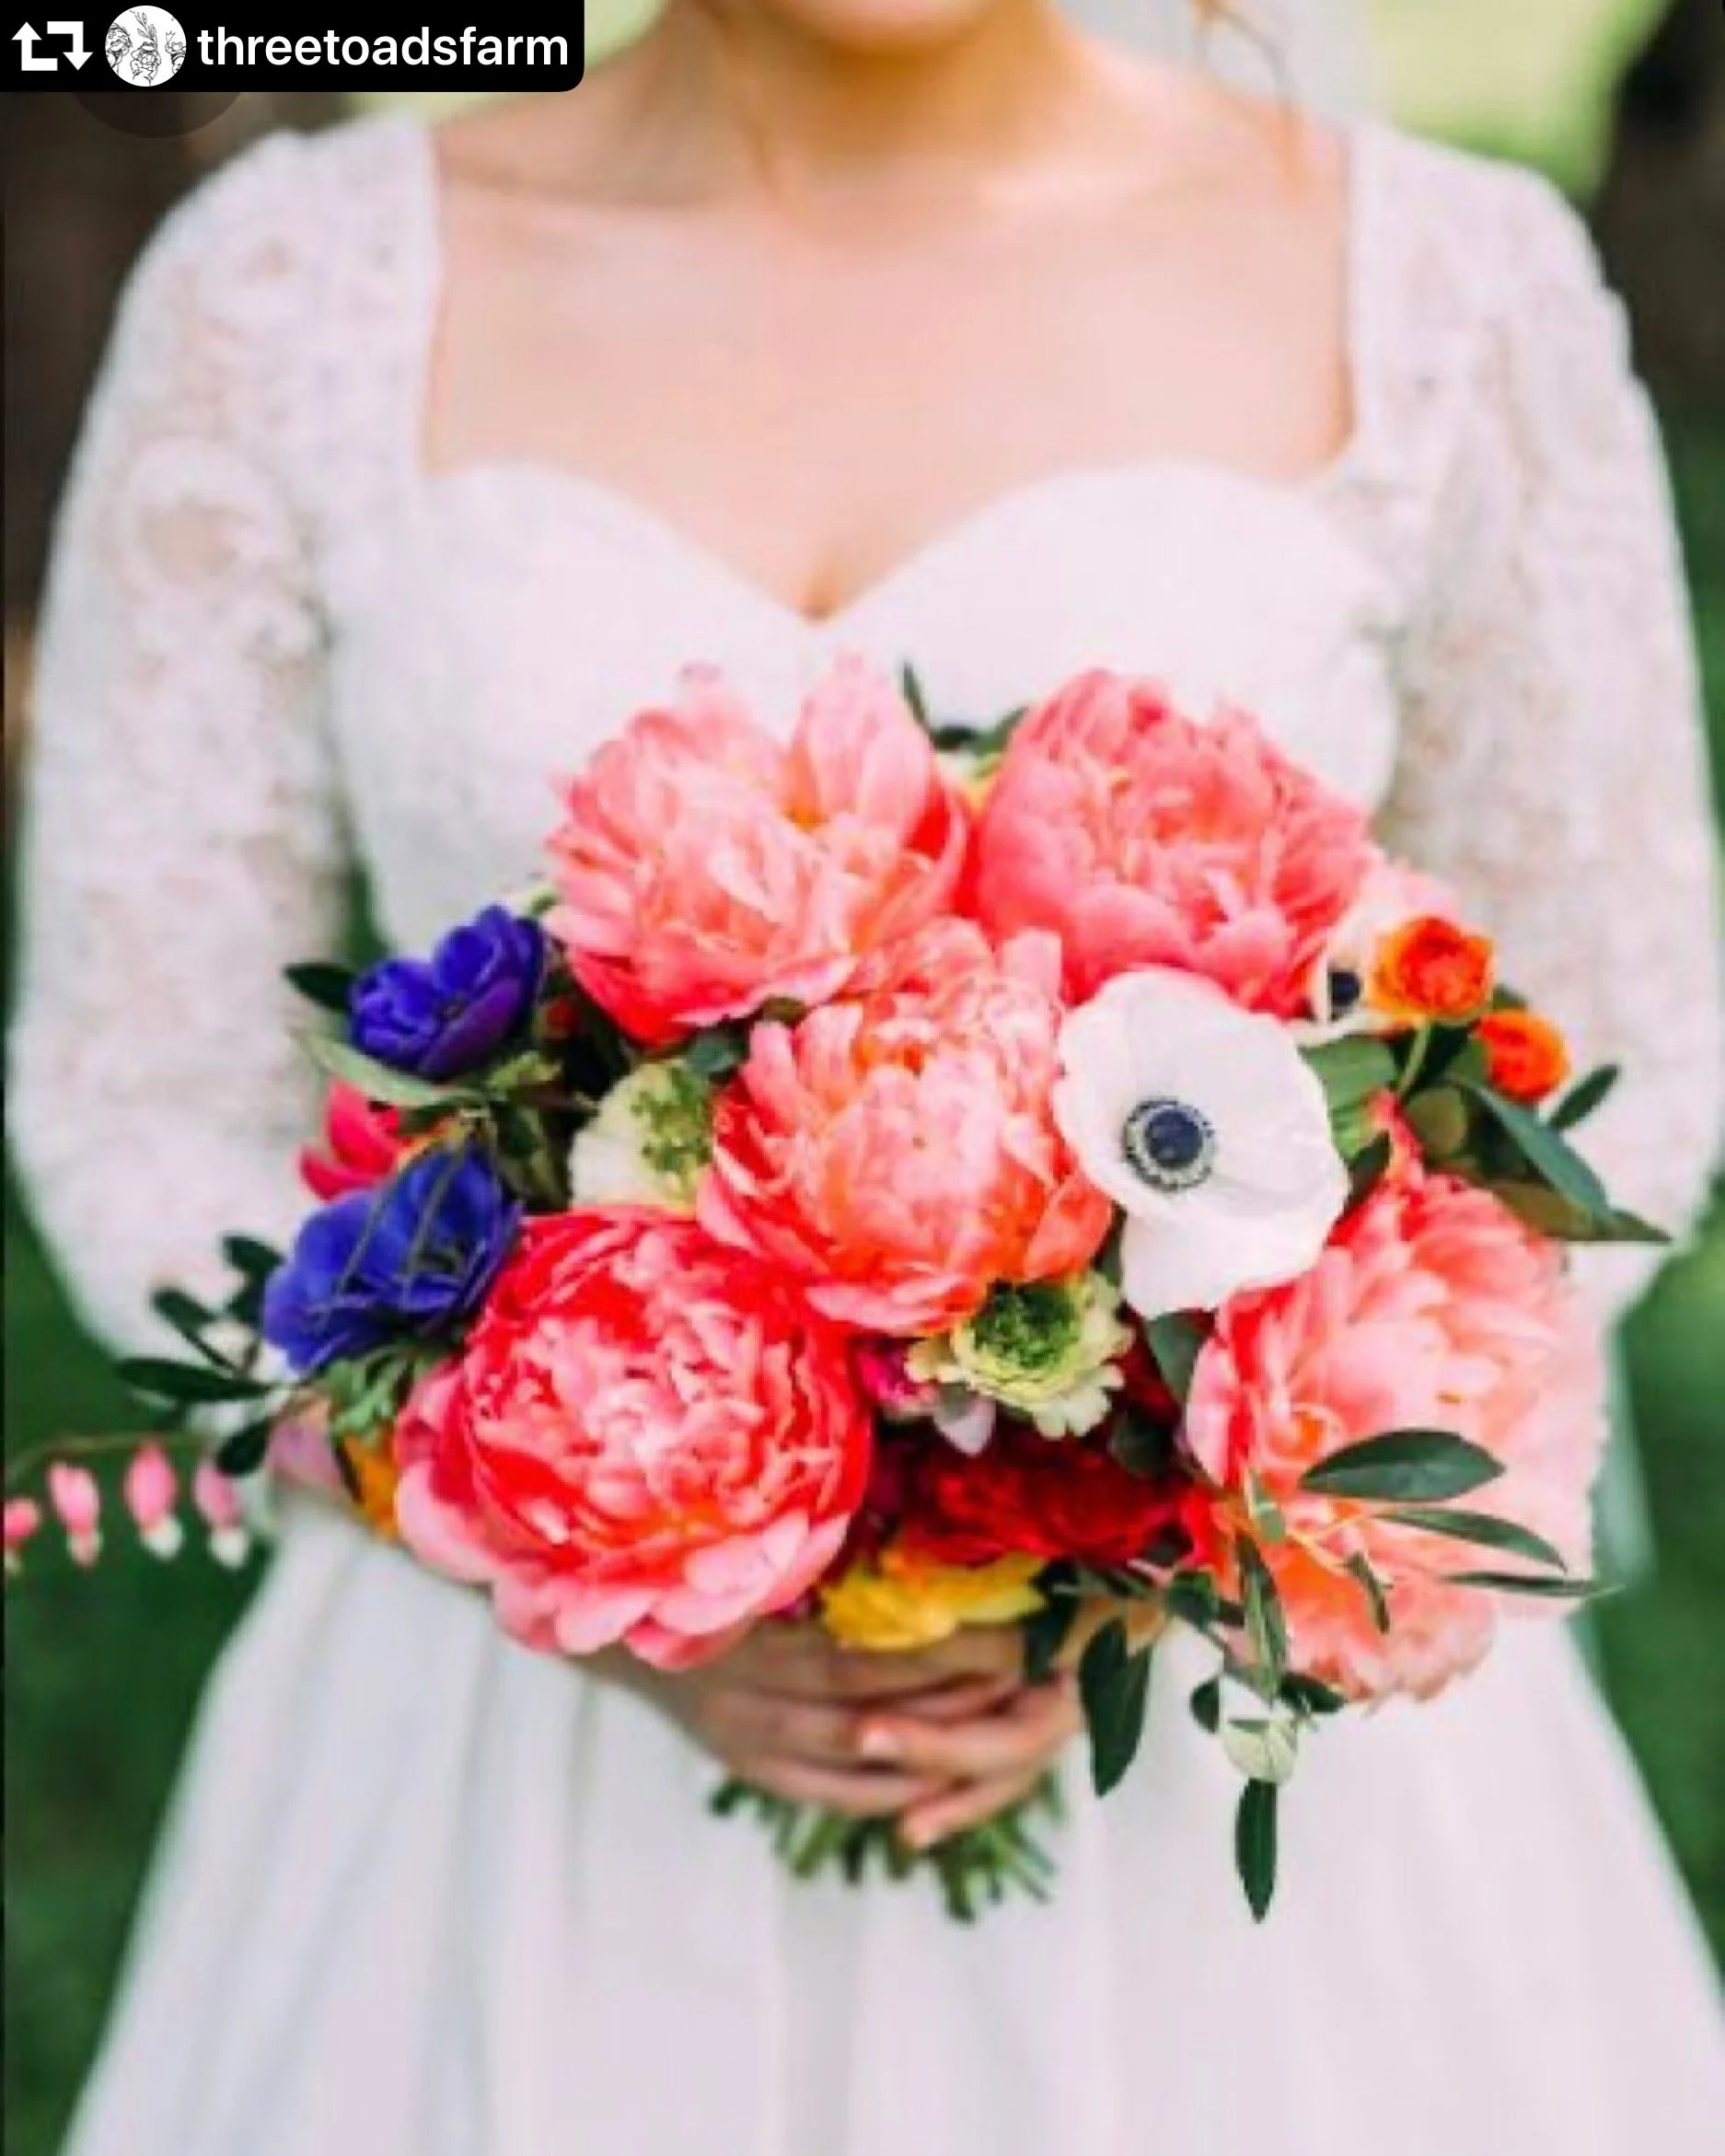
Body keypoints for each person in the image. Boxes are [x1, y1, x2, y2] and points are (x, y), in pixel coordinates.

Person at [11, 3, 1725, 2150]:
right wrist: (558, 1538)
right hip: (519, 1776)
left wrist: (1154, 1537)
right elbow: (139, 1108)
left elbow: (1611, 1068)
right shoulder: (286, 293)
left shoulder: (1446, 285)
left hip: (1215, 1820)